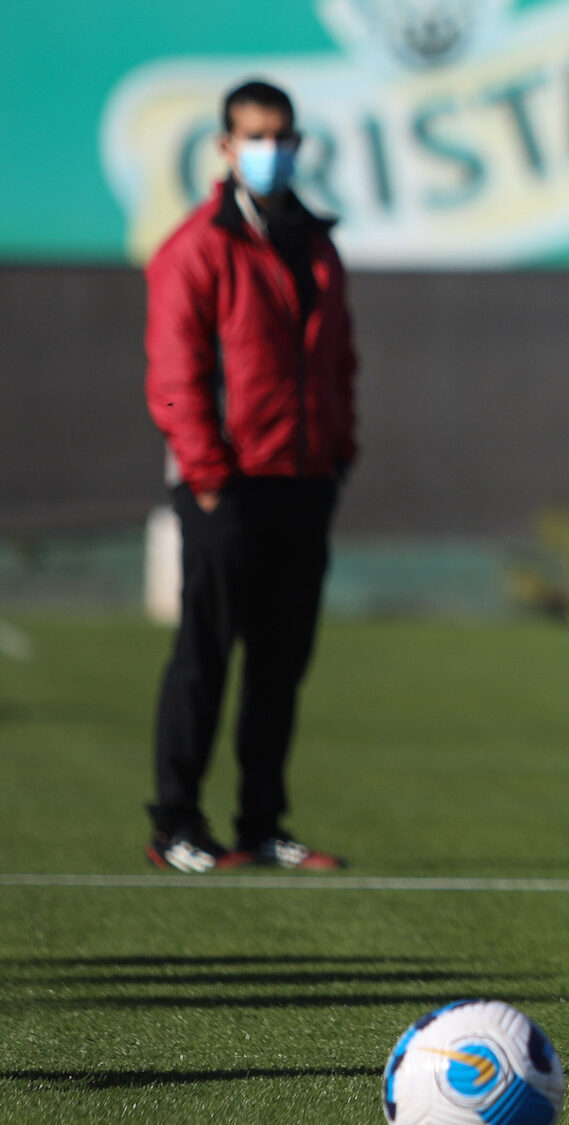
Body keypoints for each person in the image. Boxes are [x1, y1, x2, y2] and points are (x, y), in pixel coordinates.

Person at [143, 80, 355, 874]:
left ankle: (261, 822)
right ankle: (176, 823)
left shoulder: (314, 241)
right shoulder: (198, 245)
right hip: (224, 480)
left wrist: (339, 449)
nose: (272, 150)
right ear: (227, 147)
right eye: (256, 136)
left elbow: (337, 360)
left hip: (303, 476)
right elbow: (172, 371)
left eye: (283, 136)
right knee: (205, 652)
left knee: (280, 659)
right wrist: (203, 469)